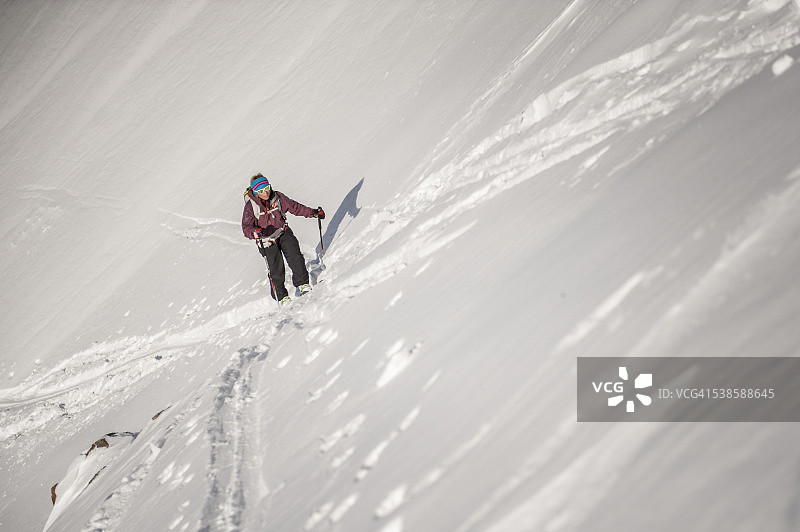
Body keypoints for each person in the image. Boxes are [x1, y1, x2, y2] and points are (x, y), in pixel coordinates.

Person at [241, 174, 324, 304]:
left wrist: (313, 212)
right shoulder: (251, 206)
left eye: (267, 188)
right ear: (256, 193)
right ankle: (281, 297)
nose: (265, 193)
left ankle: (303, 284)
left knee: (295, 256)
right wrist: (254, 232)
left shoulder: (278, 197)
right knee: (276, 268)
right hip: (266, 240)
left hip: (282, 232)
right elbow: (246, 228)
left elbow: (295, 207)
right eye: (261, 191)